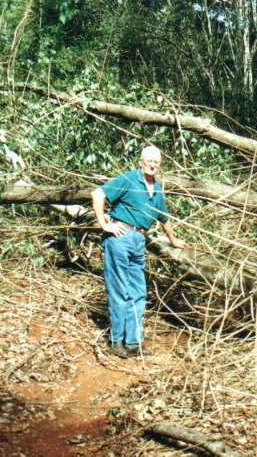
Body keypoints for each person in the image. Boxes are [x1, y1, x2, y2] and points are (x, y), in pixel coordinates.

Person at [91, 145, 186, 358]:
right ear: (141, 162)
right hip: (119, 236)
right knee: (119, 290)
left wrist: (173, 240)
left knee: (138, 292)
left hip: (139, 241)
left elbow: (164, 218)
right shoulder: (129, 179)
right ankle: (116, 340)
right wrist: (104, 225)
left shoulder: (157, 189)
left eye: (156, 162)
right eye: (149, 161)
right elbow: (97, 194)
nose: (152, 165)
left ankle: (133, 342)